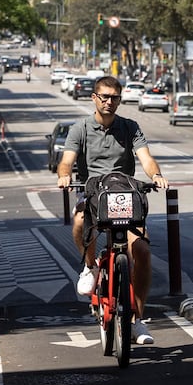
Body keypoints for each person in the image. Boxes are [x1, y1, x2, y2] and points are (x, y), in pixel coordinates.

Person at [56, 76, 170, 345]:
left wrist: (156, 176)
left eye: (114, 98)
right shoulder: (79, 129)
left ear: (120, 99)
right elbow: (66, 161)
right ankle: (89, 267)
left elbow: (146, 158)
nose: (109, 102)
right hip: (92, 193)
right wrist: (63, 176)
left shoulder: (130, 127)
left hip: (125, 194)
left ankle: (138, 320)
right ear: (94, 98)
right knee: (79, 222)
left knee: (141, 251)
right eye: (104, 97)